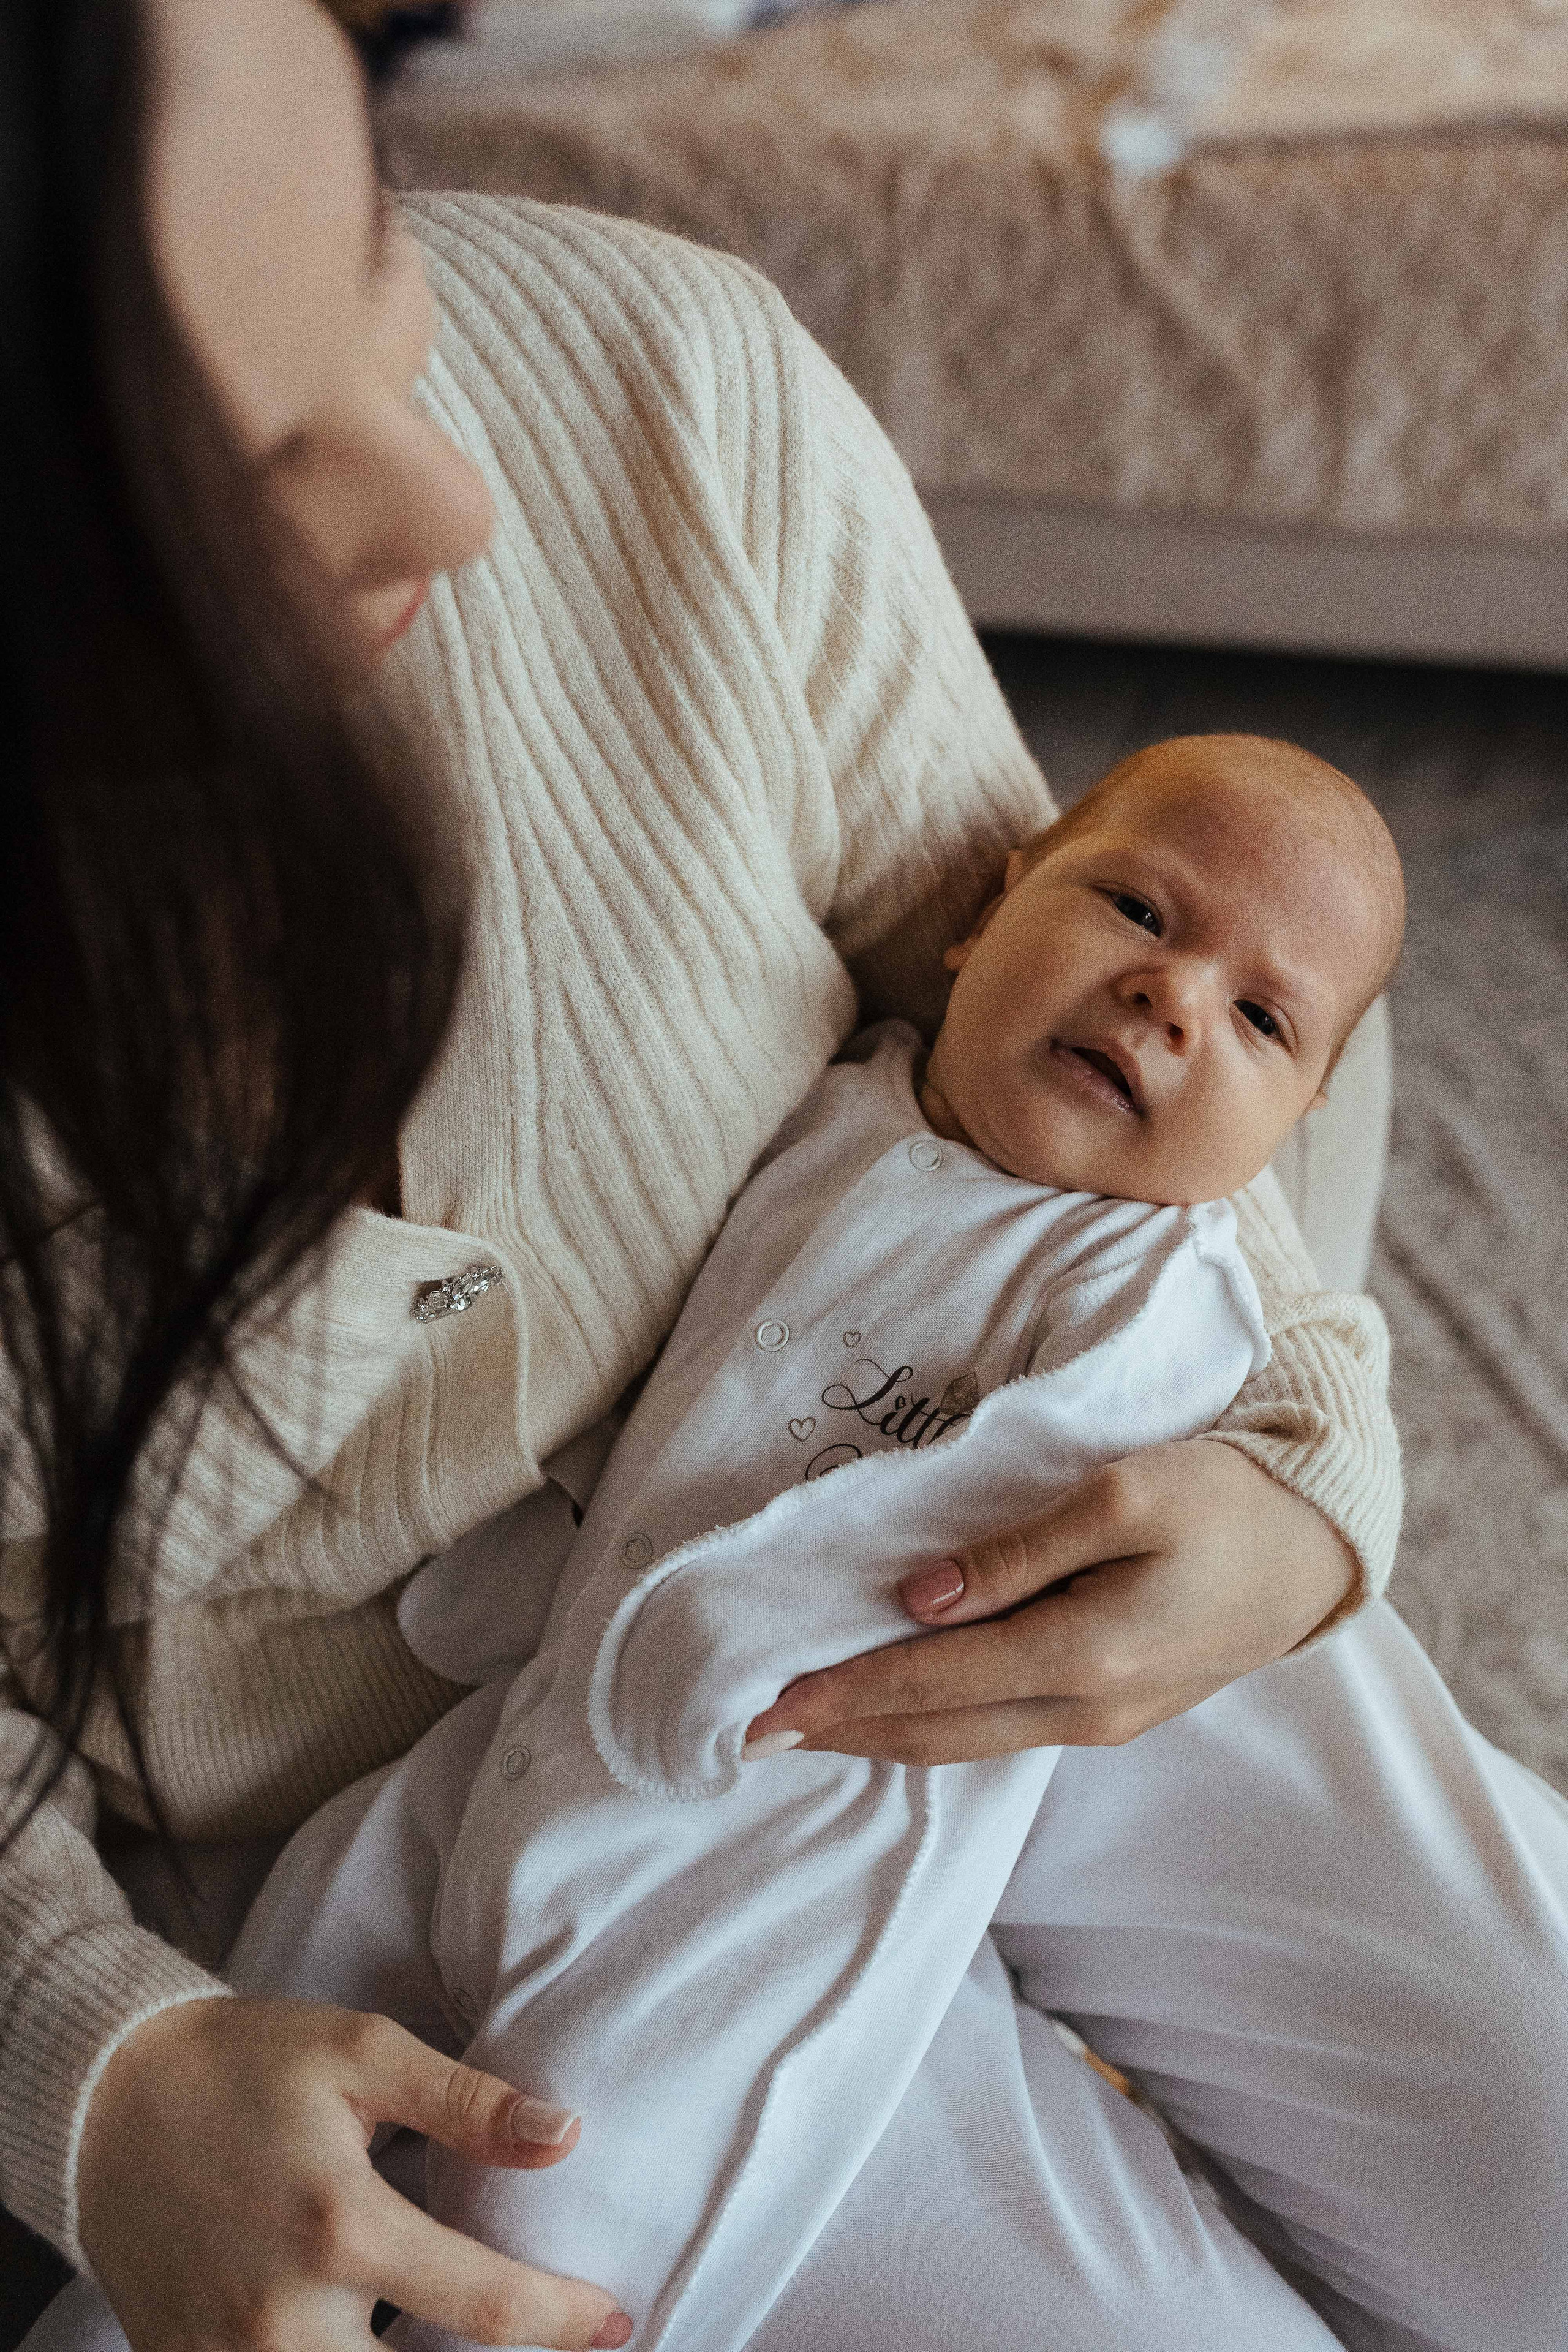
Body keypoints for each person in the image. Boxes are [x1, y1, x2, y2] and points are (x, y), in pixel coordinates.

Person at [0, 4, 1562, 2351]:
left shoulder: (663, 387)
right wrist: (97, 2068)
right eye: (249, 472)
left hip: (987, 1531)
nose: (452, 496)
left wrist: (1299, 1478)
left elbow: (1102, 977)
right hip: (469, 1912)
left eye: (367, 257)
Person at [210, 734, 1404, 2352]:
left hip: (769, 1824)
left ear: (1293, 1122)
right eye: (1134, 908)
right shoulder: (844, 1105)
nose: (1173, 999)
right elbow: (655, 1398)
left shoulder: (1150, 1293)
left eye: (1264, 1020)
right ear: (989, 914)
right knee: (304, 1968)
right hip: (532, 1725)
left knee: (567, 2184)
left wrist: (706, 1637)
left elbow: (971, 1512)